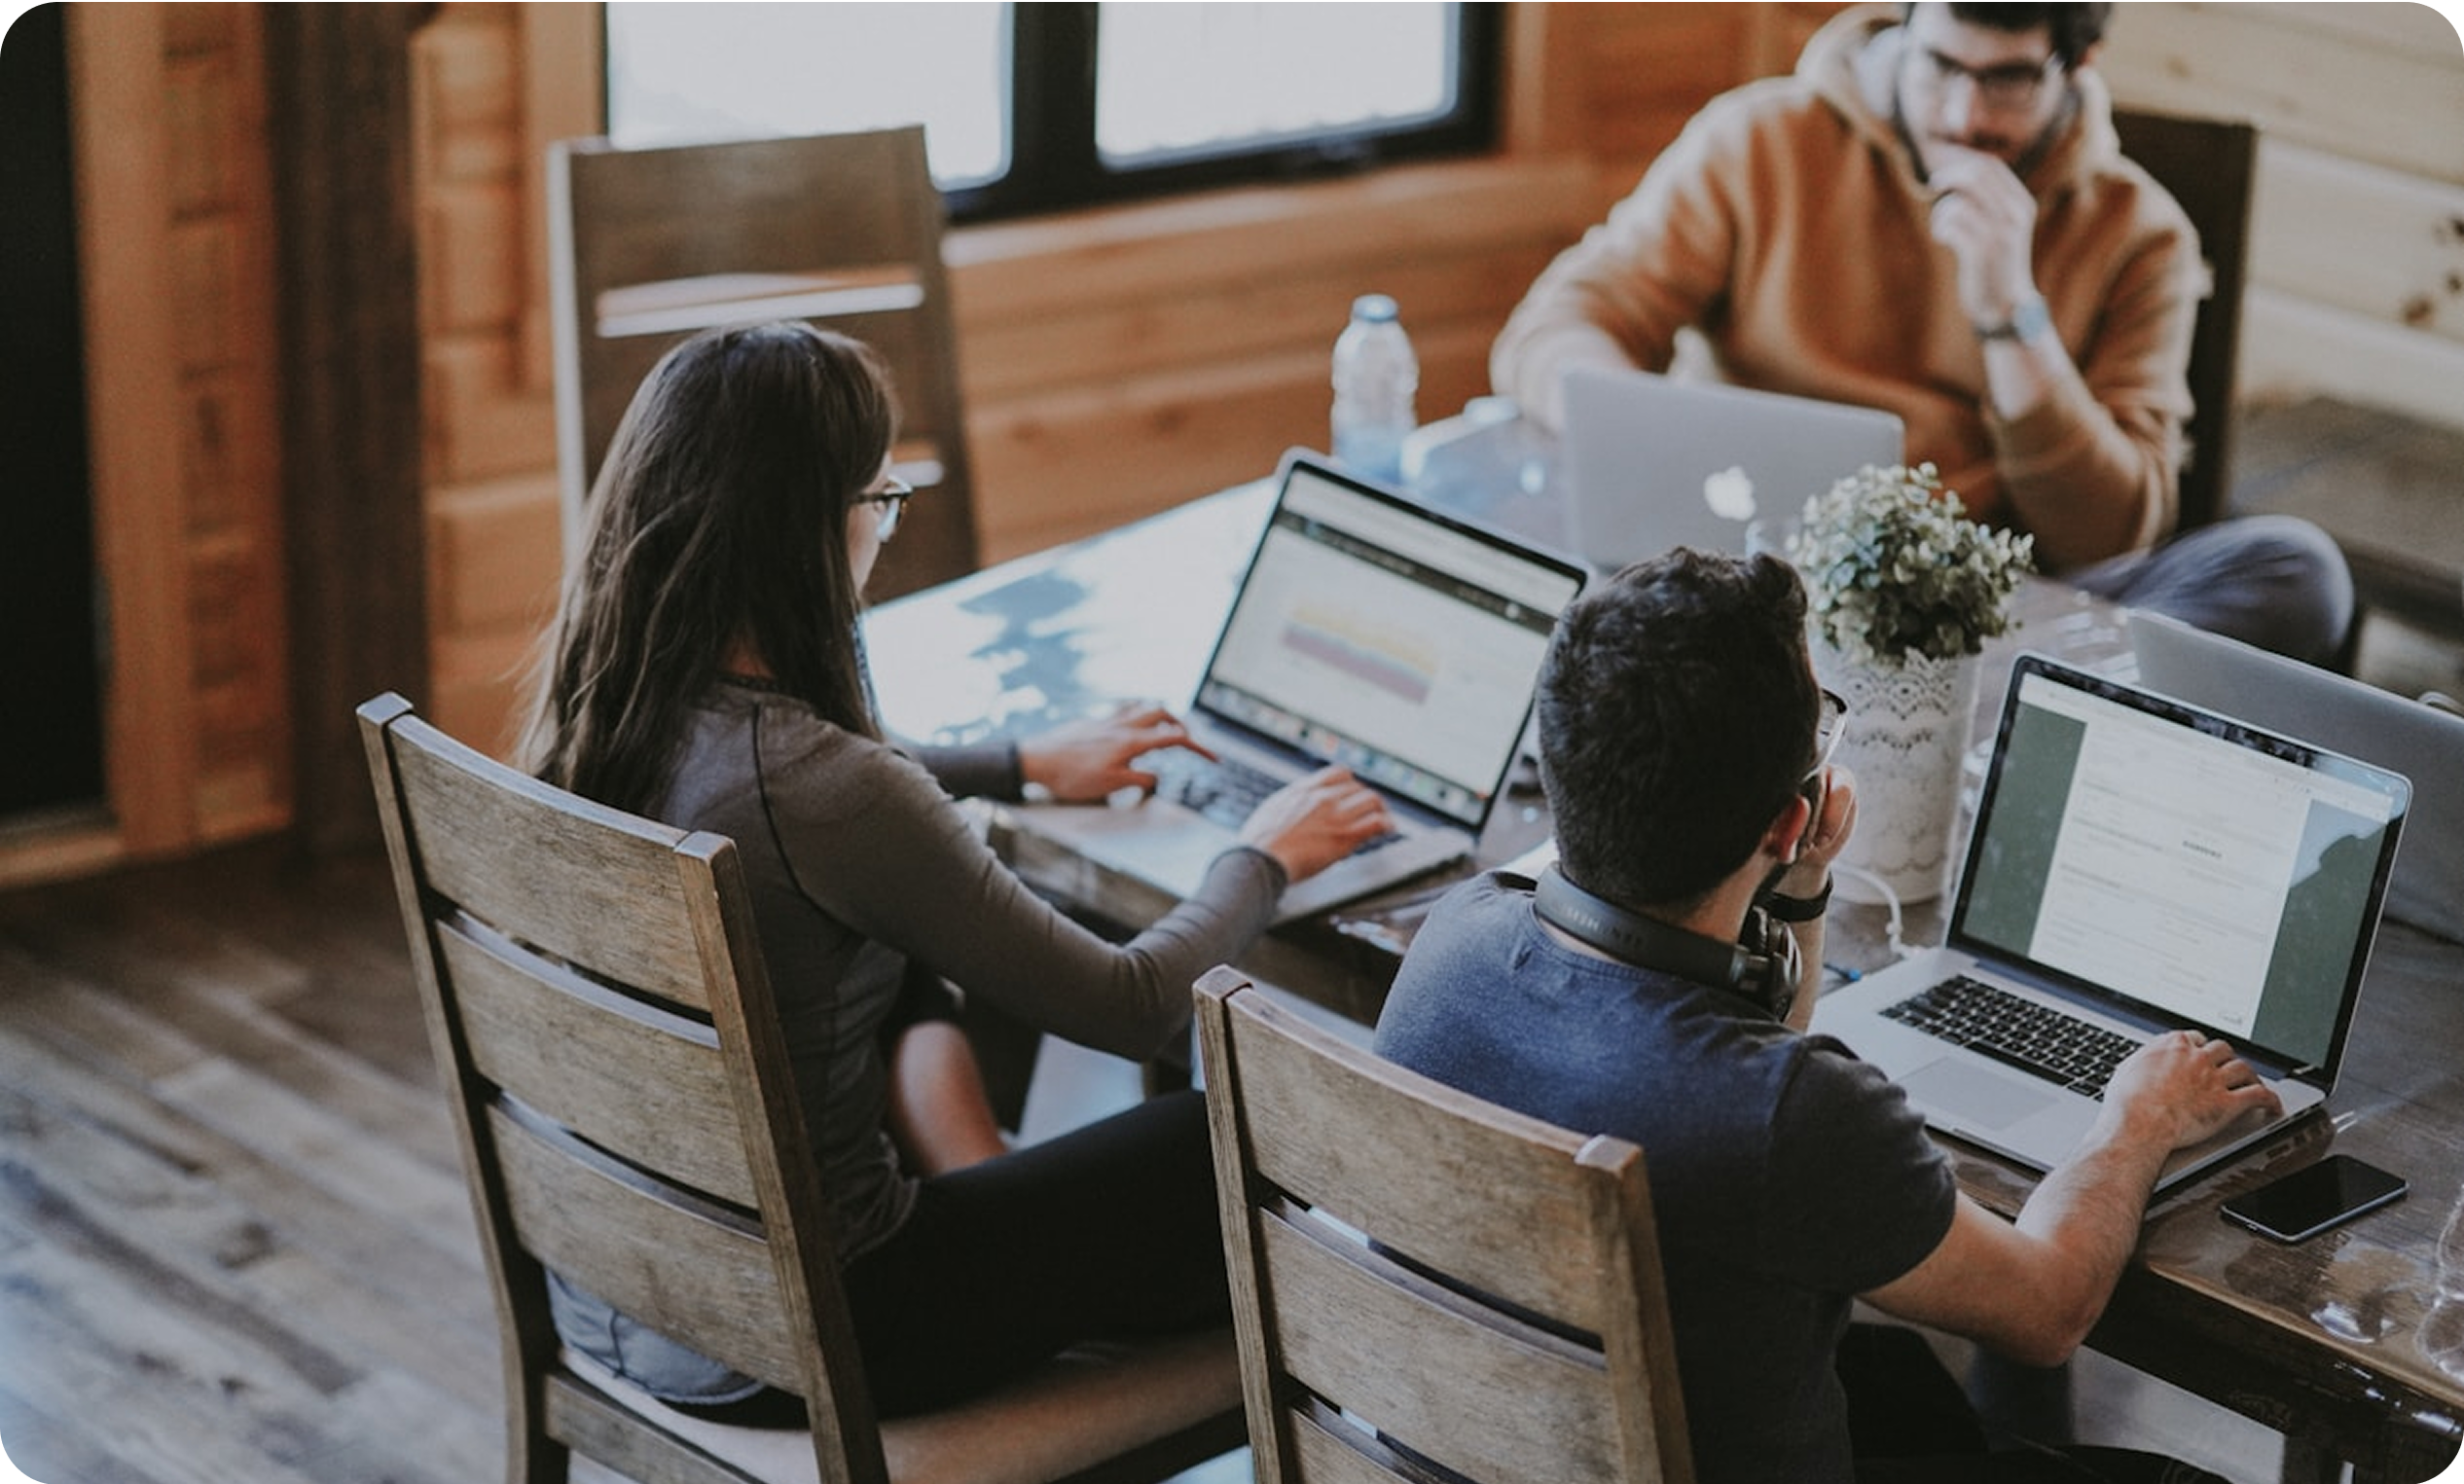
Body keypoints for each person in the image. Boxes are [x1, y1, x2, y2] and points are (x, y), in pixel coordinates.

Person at [517, 319, 1394, 1420]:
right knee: (1213, 1136)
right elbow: (1125, 1004)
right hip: (828, 1327)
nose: (885, 530)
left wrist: (1018, 763)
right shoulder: (825, 791)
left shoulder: (608, 710)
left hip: (625, 1290)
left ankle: (988, 1184)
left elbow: (820, 799)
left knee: (894, 946)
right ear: (810, 530)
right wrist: (1263, 852)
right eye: (880, 502)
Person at [1373, 549, 2279, 1483]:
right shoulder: (1794, 1114)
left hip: (1475, 1455)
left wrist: (1799, 890)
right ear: (1782, 818)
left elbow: (1739, 1085)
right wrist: (2140, 1117)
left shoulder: (1450, 942)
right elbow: (2051, 1310)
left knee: (1898, 1382)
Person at [1492, 2, 2352, 666]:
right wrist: (1639, 436)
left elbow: (2113, 534)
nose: (1963, 113)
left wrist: (2011, 313)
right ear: (1904, 22)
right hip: (1742, 575)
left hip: (1985, 617)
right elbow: (1554, 329)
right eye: (1939, 64)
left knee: (2296, 571)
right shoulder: (1759, 139)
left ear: (2078, 63)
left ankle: (1954, 727)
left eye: (2009, 80)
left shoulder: (2142, 236)